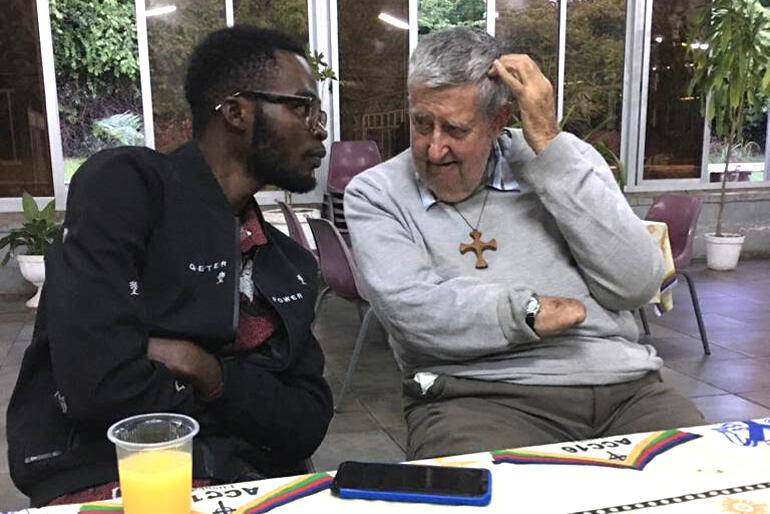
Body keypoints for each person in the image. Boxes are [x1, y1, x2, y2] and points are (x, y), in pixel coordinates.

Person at [7, 26, 333, 507]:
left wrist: (205, 368)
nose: (320, 127)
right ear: (237, 111)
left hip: (250, 483)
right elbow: (102, 388)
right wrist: (254, 399)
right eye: (302, 107)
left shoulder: (289, 263)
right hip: (108, 477)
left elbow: (306, 423)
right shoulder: (128, 190)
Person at [344, 27, 703, 460]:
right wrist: (526, 312)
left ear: (498, 122)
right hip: (477, 398)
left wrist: (550, 147)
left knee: (715, 480)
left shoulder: (566, 161)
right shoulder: (377, 193)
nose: (434, 148)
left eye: (455, 129)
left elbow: (635, 284)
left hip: (624, 387)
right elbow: (412, 314)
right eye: (422, 123)